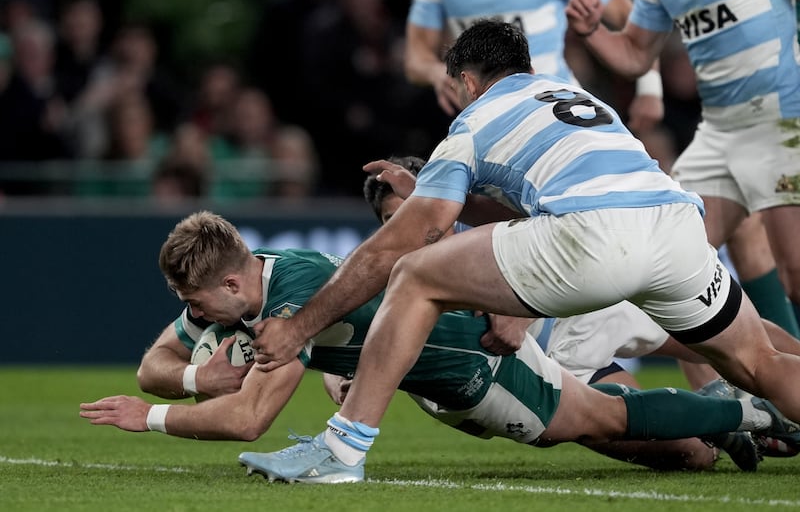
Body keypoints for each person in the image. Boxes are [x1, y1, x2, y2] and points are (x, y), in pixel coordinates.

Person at [244, 19, 800, 483]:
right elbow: (526, 205)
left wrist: (298, 329)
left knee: (414, 275)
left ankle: (341, 452)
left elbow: (411, 236)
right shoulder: (574, 94)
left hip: (594, 236)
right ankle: (739, 411)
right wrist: (440, 203)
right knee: (761, 362)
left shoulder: (473, 121)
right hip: (676, 224)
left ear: (465, 79)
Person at [79, 211, 795, 478]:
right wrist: (200, 382)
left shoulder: (290, 295)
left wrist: (149, 418)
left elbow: (249, 420)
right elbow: (155, 365)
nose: (190, 315)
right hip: (439, 369)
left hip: (469, 363)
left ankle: (744, 413)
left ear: (233, 286)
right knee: (601, 416)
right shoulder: (241, 294)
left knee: (599, 421)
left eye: (194, 303)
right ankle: (736, 410)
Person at [565, 0, 800, 334]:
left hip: (780, 117)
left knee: (795, 272)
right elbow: (635, 53)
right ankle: (746, 385)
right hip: (718, 132)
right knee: (671, 271)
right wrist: (593, 31)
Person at [404, 0, 663, 133]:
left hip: (558, 109)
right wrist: (437, 73)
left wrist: (650, 89)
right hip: (483, 119)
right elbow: (415, 59)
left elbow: (628, 17)